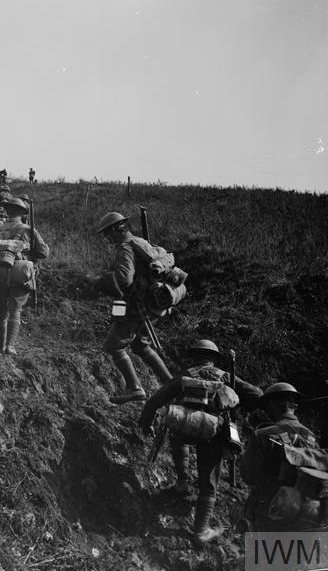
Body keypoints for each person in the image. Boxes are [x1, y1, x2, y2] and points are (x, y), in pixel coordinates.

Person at [138, 339, 262, 545]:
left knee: (177, 429)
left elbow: (153, 402)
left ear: (195, 356)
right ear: (213, 359)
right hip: (213, 432)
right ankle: (200, 531)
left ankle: (183, 481)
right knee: (208, 483)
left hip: (186, 427)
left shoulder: (184, 375)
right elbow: (257, 394)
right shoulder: (226, 377)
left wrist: (145, 422)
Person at [95, 212, 172, 404]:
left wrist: (102, 280)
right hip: (152, 303)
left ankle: (134, 388)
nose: (107, 238)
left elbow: (124, 278)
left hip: (136, 306)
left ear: (115, 229)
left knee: (114, 345)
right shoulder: (140, 242)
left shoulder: (125, 248)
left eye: (107, 233)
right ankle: (171, 385)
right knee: (141, 345)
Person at [242, 382, 325, 531]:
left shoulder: (262, 434)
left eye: (266, 405)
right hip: (304, 513)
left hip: (270, 509)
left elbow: (250, 476)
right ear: (294, 406)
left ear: (272, 404)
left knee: (265, 552)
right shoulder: (311, 438)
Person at [0, 196, 49, 355]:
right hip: (19, 272)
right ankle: (10, 346)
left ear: (7, 211)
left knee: (1, 313)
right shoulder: (29, 230)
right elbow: (44, 252)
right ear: (23, 213)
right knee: (15, 310)